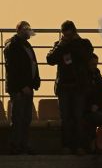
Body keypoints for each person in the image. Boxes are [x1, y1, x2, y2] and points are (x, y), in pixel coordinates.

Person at [46, 20, 93, 155]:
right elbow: (50, 59)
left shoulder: (84, 43)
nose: (67, 36)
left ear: (74, 32)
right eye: (65, 34)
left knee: (78, 117)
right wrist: (61, 45)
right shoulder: (59, 45)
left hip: (79, 87)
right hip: (64, 87)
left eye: (69, 34)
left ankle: (79, 146)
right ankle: (66, 145)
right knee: (65, 118)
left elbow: (87, 56)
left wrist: (75, 43)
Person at [4, 21, 40, 154]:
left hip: (27, 87)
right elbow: (13, 69)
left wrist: (34, 82)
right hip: (19, 89)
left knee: (25, 118)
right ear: (19, 30)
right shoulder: (13, 46)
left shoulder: (25, 45)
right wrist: (22, 86)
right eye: (26, 29)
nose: (29, 31)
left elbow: (31, 65)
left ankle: (23, 145)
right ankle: (16, 145)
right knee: (19, 117)